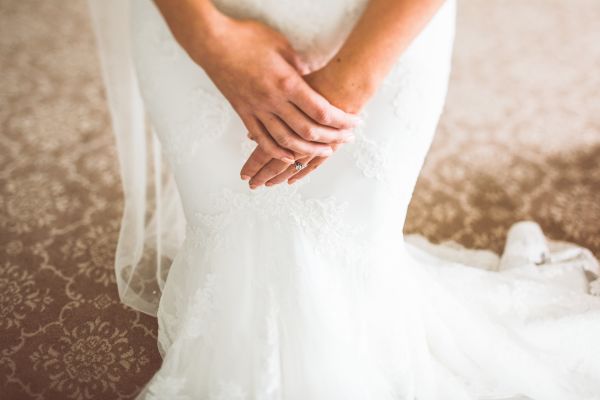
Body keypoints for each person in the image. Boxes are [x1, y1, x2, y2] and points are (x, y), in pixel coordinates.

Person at [89, 0, 600, 398]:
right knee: (236, 245)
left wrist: (352, 83)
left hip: (381, 28)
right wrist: (211, 40)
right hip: (197, 25)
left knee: (349, 244)